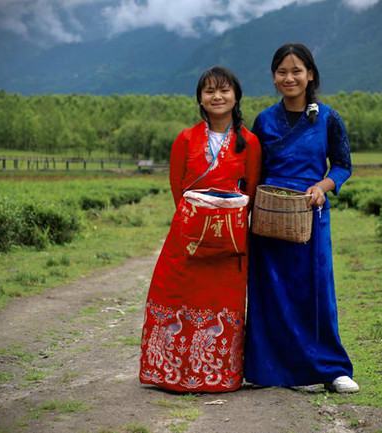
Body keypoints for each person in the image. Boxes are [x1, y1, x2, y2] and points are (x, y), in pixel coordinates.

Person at [244, 43, 359, 393]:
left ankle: (331, 369)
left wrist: (323, 186)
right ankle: (268, 369)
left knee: (316, 291)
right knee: (271, 292)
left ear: (310, 75)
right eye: (282, 71)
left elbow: (342, 166)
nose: (289, 78)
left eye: (296, 71)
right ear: (274, 77)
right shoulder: (264, 120)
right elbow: (253, 169)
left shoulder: (328, 118)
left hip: (311, 213)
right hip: (269, 216)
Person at [139, 66, 261, 392]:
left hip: (229, 242)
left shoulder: (249, 142)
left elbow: (251, 188)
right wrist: (197, 220)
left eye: (224, 90)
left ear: (236, 96)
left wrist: (221, 220)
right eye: (209, 91)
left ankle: (218, 374)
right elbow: (177, 186)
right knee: (176, 293)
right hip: (187, 237)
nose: (217, 96)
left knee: (221, 301)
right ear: (200, 99)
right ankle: (171, 373)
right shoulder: (186, 138)